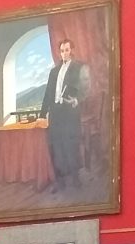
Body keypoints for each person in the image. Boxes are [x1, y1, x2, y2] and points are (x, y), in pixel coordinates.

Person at [40, 38, 90, 193]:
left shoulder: (79, 67)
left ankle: (75, 178)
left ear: (72, 50)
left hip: (70, 111)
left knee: (71, 145)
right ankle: (60, 181)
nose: (64, 53)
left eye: (67, 50)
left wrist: (76, 100)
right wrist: (42, 114)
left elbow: (86, 88)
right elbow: (48, 93)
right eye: (62, 51)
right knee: (56, 147)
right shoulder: (53, 71)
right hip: (55, 113)